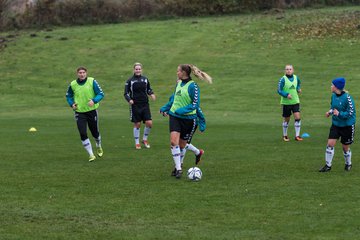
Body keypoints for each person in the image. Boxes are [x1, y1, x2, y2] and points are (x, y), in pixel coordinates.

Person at [160, 64, 212, 179]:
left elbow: (195, 105)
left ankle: (197, 153)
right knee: (174, 142)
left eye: (178, 71)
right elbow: (174, 99)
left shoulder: (193, 86)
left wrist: (200, 121)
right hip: (175, 117)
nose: (176, 73)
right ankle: (178, 169)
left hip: (188, 119)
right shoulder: (178, 83)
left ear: (184, 72)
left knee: (182, 145)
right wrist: (165, 108)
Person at [66, 66, 104, 162]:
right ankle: (91, 155)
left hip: (92, 111)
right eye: (80, 73)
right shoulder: (73, 84)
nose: (82, 74)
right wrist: (72, 104)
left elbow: (100, 93)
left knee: (95, 133)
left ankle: (98, 145)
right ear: (77, 74)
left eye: (83, 72)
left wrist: (94, 100)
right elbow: (68, 96)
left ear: (86, 73)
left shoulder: (92, 81)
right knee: (83, 133)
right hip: (79, 112)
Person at [319, 77, 356, 172]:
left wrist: (339, 114)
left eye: (332, 85)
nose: (331, 86)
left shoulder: (348, 98)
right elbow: (333, 107)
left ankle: (348, 163)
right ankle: (328, 166)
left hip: (347, 126)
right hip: (336, 124)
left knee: (345, 148)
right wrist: (330, 112)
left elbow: (351, 113)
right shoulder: (333, 96)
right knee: (330, 144)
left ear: (337, 87)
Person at [124, 63, 156, 149]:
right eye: (136, 69)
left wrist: (151, 94)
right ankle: (137, 143)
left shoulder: (145, 79)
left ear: (141, 70)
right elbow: (126, 93)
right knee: (137, 124)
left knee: (149, 123)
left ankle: (145, 139)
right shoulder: (130, 81)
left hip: (145, 104)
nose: (138, 70)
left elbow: (148, 89)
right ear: (134, 70)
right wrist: (129, 100)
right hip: (135, 105)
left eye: (139, 69)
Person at [277, 64, 303, 142]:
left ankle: (297, 136)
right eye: (287, 69)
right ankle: (285, 135)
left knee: (297, 118)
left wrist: (298, 89)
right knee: (287, 119)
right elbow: (279, 90)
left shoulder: (296, 77)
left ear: (293, 70)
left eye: (290, 69)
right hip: (286, 103)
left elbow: (298, 84)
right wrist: (286, 94)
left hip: (295, 101)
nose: (288, 70)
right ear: (285, 71)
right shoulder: (283, 79)